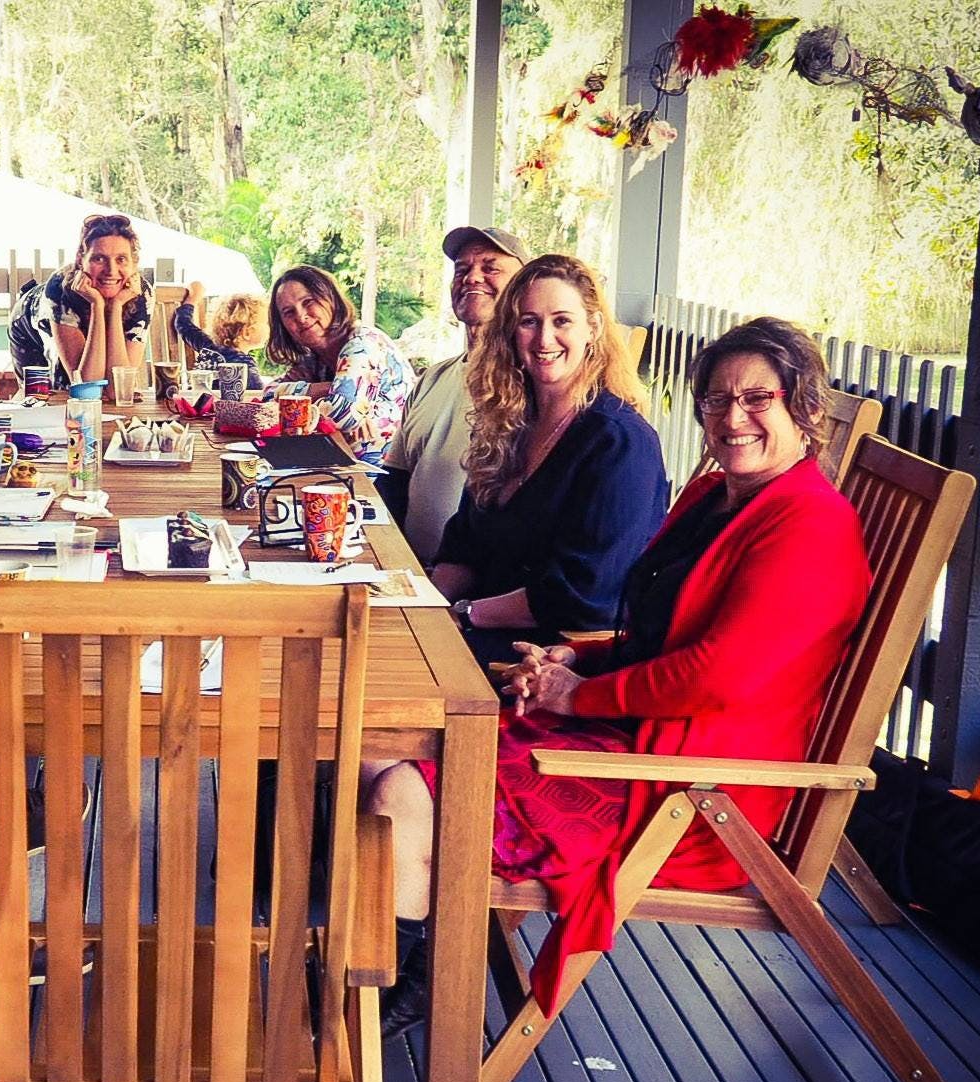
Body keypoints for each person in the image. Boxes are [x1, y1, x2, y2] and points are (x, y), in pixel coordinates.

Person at [367, 317, 871, 1034]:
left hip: (691, 794)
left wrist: (578, 696)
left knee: (397, 790)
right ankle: (405, 963)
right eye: (715, 400)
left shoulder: (808, 528)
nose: (732, 418)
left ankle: (395, 990)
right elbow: (662, 634)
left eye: (758, 399)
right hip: (639, 739)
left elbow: (715, 675)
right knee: (383, 741)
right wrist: (578, 659)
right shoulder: (716, 496)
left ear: (805, 411)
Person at [428, 253, 667, 669]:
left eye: (562, 321)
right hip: (474, 631)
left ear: (592, 328)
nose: (544, 339)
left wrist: (465, 613)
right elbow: (463, 546)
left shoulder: (621, 441)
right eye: (529, 321)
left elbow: (579, 593)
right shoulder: (508, 423)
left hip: (552, 657)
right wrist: (423, 610)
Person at [379, 226, 528, 561]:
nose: (472, 278)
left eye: (491, 268)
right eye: (462, 269)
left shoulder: (530, 386)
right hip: (412, 579)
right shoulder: (433, 378)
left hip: (481, 597)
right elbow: (394, 483)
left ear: (522, 289)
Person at [263, 265, 414, 467]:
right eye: (289, 312)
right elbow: (267, 394)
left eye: (308, 302)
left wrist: (328, 404)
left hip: (388, 479)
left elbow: (341, 416)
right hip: (339, 467)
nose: (301, 316)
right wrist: (323, 389)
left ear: (331, 298)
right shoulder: (314, 357)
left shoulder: (361, 345)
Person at [11, 213, 151, 387]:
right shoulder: (59, 289)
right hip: (30, 325)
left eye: (121, 259)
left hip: (95, 314)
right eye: (99, 258)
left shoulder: (141, 293)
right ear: (80, 260)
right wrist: (97, 305)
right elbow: (86, 385)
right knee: (51, 393)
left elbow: (119, 387)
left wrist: (115, 308)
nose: (111, 270)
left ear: (133, 263)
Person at [171, 281, 268, 388]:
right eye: (267, 323)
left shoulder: (207, 344)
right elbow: (261, 397)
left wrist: (192, 299)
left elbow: (183, 324)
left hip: (196, 401)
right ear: (247, 333)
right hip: (222, 404)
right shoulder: (245, 368)